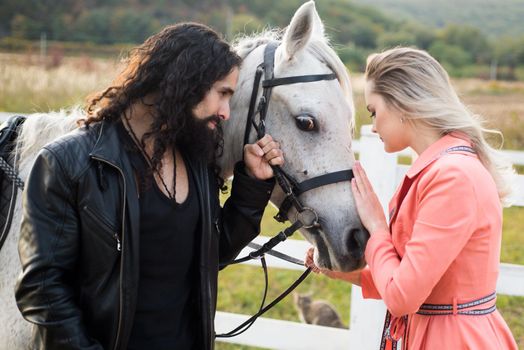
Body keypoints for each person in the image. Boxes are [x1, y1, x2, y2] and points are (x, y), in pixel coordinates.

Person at [15, 23, 284, 350]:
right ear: (185, 81)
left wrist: (251, 186)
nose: (226, 112)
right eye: (223, 94)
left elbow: (210, 255)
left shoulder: (196, 159)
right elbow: (42, 289)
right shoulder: (68, 163)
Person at [306, 47, 518, 349]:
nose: (374, 125)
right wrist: (338, 272)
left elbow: (401, 296)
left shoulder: (452, 178)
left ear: (402, 103)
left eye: (374, 111)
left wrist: (378, 228)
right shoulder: (443, 170)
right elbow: (405, 280)